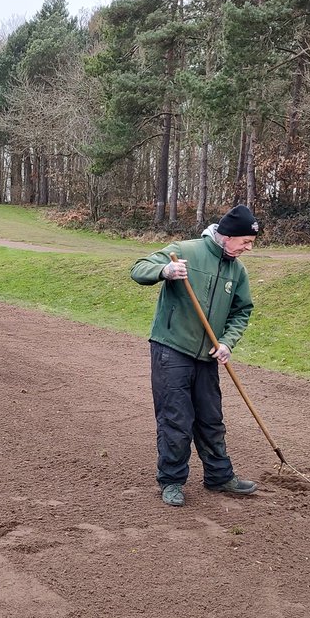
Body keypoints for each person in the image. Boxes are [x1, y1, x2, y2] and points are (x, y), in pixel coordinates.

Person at [130, 205, 261, 507]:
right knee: (176, 419)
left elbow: (242, 311)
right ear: (227, 235)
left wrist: (227, 342)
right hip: (172, 348)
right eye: (246, 241)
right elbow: (138, 269)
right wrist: (164, 271)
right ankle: (172, 481)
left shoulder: (237, 271)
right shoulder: (184, 251)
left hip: (208, 356)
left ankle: (219, 476)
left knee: (211, 419)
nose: (248, 248)